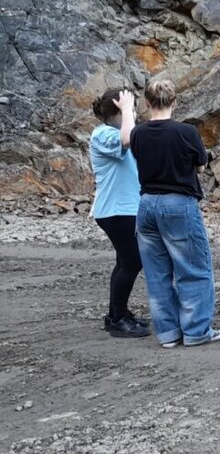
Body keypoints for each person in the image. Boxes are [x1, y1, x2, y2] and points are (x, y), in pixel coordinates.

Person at [130, 80, 220, 348]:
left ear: (147, 103)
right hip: (178, 203)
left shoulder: (138, 133)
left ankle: (168, 333)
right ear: (175, 102)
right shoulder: (186, 132)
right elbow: (200, 167)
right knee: (193, 268)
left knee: (157, 272)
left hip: (147, 204)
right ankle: (196, 331)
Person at [89, 88, 149, 338]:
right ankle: (117, 318)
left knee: (125, 261)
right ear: (116, 110)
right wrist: (126, 110)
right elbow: (127, 139)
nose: (133, 113)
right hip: (115, 209)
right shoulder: (103, 134)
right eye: (130, 108)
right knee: (132, 260)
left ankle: (117, 312)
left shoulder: (115, 131)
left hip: (126, 208)